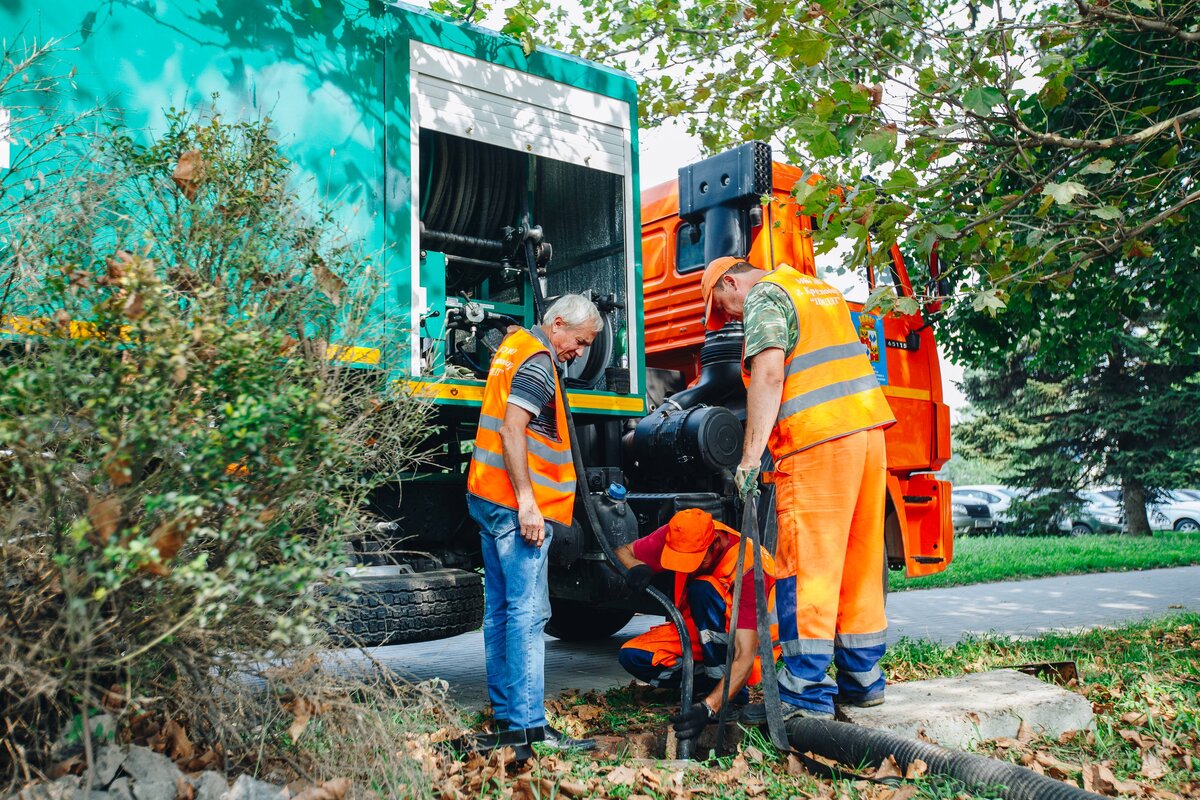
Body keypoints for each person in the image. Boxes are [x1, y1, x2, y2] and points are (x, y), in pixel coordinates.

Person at [699, 256, 896, 721]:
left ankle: (804, 686)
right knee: (858, 563)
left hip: (818, 439)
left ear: (731, 281)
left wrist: (750, 457)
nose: (729, 317)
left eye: (724, 307)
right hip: (868, 435)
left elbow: (769, 374)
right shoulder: (815, 290)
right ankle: (863, 681)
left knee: (809, 564)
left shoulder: (766, 296)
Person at [465, 294, 604, 753]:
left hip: (487, 494)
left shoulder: (514, 347)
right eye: (580, 342)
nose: (580, 352)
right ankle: (529, 729)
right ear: (558, 324)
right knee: (528, 615)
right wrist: (528, 501)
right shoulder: (539, 361)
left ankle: (509, 722)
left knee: (502, 613)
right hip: (513, 504)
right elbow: (512, 430)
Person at [614, 508, 778, 741]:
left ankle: (730, 695)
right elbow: (622, 551)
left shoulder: (749, 568)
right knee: (633, 656)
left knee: (703, 589)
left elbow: (745, 656)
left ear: (715, 545)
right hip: (702, 630)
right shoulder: (679, 537)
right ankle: (714, 685)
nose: (685, 568)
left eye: (694, 561)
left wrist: (708, 708)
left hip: (750, 648)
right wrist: (636, 566)